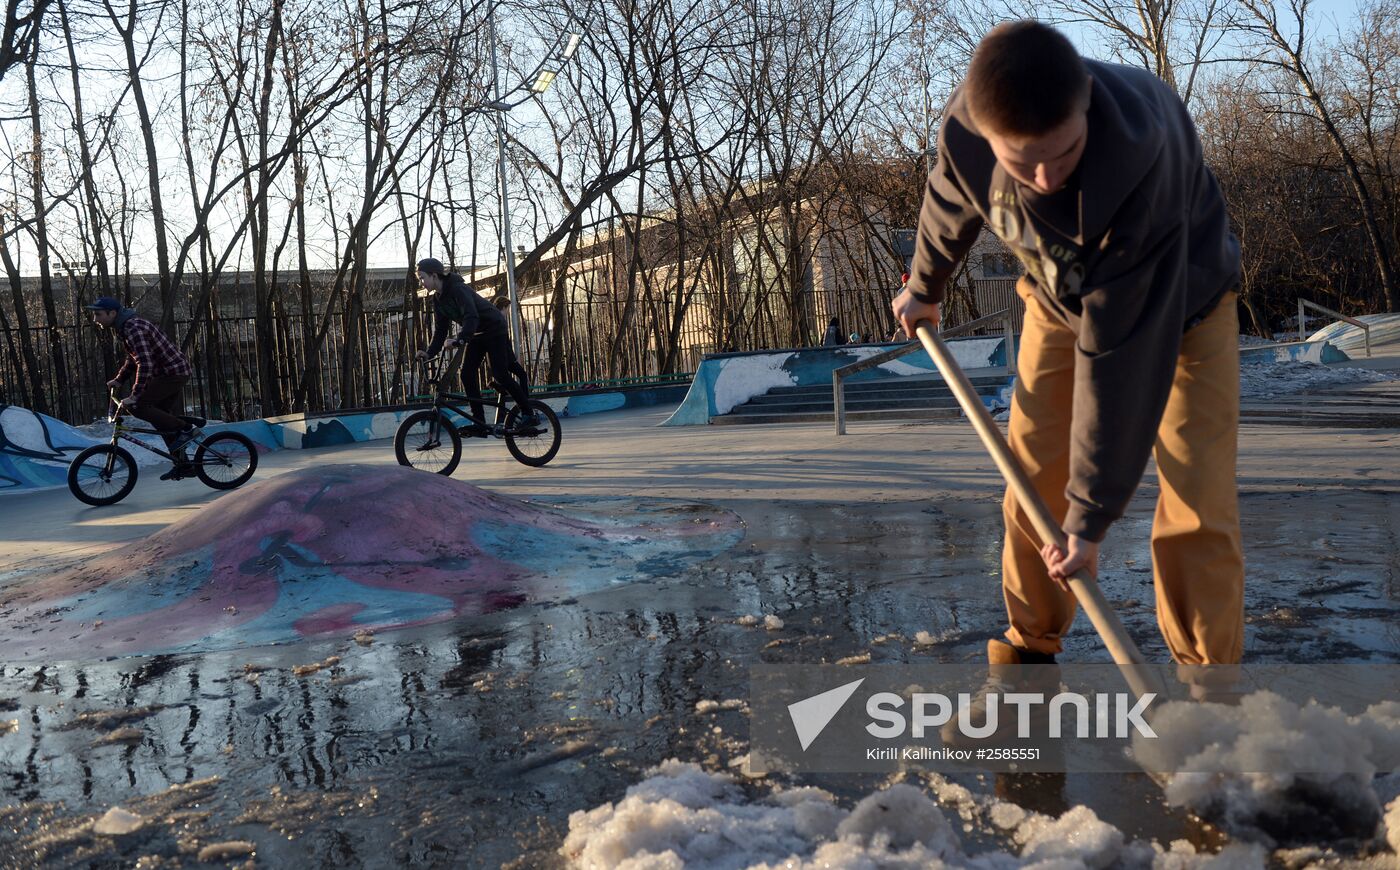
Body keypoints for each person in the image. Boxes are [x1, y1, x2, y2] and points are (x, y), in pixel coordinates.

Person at [891, 22, 1244, 687]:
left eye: (1065, 151)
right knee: (1031, 478)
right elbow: (949, 198)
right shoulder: (966, 127)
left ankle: (1210, 696)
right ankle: (1027, 661)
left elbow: (1121, 357)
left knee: (1197, 498)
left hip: (1185, 309)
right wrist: (924, 286)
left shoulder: (1143, 159)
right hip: (1056, 300)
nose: (1048, 178)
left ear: (1085, 96)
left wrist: (1091, 519)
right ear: (982, 126)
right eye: (1024, 164)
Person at [413, 258, 537, 434]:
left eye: (422, 277)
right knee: (467, 374)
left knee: (500, 374)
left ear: (434, 275)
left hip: (494, 329)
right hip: (477, 334)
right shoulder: (437, 299)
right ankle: (480, 422)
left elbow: (471, 316)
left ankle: (528, 413)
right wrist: (429, 352)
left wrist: (461, 339)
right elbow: (441, 330)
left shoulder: (458, 289)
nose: (421, 282)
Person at [87, 297, 201, 480]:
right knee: (162, 421)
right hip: (166, 373)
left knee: (137, 406)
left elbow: (145, 363)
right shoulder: (125, 327)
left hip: (172, 373)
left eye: (98, 314)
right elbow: (133, 358)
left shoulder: (133, 328)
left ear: (112, 313)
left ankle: (186, 428)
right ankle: (185, 465)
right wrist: (120, 379)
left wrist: (135, 395)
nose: (95, 319)